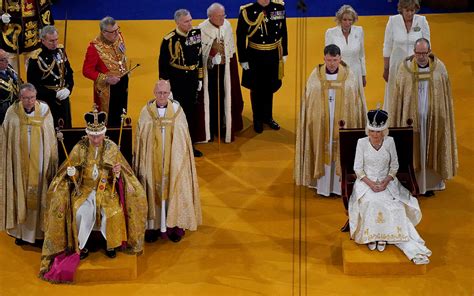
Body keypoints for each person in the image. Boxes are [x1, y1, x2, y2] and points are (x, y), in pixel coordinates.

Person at [39, 105, 147, 278]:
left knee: (113, 212)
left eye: (99, 135)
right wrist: (71, 173)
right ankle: (81, 245)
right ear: (87, 134)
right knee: (81, 211)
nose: (96, 139)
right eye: (93, 136)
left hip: (106, 190)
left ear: (104, 133)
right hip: (84, 190)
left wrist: (117, 174)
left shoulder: (112, 147)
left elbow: (125, 173)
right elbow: (67, 169)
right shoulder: (79, 148)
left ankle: (110, 244)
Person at [349, 109, 431, 265]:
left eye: (379, 132)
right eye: (372, 131)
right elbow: (358, 169)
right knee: (370, 202)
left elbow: (394, 166)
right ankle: (373, 236)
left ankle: (384, 236)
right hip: (366, 183)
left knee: (395, 204)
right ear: (368, 130)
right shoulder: (362, 143)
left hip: (388, 182)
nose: (375, 135)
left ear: (384, 131)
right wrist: (371, 184)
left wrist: (386, 182)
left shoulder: (390, 142)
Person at [134, 80, 202, 243]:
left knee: (174, 187)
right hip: (152, 162)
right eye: (159, 93)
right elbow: (141, 139)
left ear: (170, 93)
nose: (162, 96)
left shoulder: (178, 111)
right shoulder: (146, 112)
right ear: (154, 93)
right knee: (151, 187)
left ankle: (174, 226)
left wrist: (178, 159)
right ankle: (153, 226)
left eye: (165, 93)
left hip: (173, 161)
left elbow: (183, 137)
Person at [388, 38, 458, 196]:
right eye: (418, 53)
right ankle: (412, 182)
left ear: (429, 51)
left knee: (430, 146)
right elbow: (398, 97)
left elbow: (445, 97)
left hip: (433, 119)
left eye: (424, 53)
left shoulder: (439, 68)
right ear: (414, 52)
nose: (420, 56)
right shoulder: (404, 69)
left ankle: (430, 184)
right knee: (413, 149)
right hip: (411, 120)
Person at [294, 44, 365, 197]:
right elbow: (310, 101)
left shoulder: (349, 76)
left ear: (340, 58)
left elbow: (355, 102)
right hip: (322, 125)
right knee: (323, 148)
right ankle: (323, 187)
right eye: (329, 60)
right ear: (324, 59)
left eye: (335, 60)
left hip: (342, 123)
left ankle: (340, 188)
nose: (332, 64)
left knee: (340, 149)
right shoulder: (316, 75)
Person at [0, 83, 58, 246]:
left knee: (40, 192)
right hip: (20, 164)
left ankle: (40, 232)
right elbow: (6, 138)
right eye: (25, 98)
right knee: (21, 193)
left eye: (32, 98)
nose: (29, 101)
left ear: (36, 96)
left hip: (40, 163)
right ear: (20, 98)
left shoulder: (45, 111)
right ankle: (21, 233)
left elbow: (50, 138)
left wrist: (50, 160)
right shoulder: (12, 112)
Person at [236, 0, 288, 133]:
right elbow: (241, 35)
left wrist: (284, 52)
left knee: (270, 87)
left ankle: (268, 117)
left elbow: (283, 31)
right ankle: (257, 119)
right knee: (256, 88)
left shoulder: (278, 7)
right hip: (255, 55)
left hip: (273, 55)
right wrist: (243, 58)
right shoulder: (247, 11)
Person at [158, 9, 204, 157]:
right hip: (177, 82)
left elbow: (199, 57)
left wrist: (200, 78)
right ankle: (175, 145)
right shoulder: (169, 40)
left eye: (190, 20)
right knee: (176, 114)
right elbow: (163, 65)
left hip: (191, 80)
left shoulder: (196, 34)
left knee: (191, 114)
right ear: (177, 22)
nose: (190, 23)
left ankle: (190, 144)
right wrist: (167, 87)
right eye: (186, 21)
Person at [198, 2, 244, 143]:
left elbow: (230, 49)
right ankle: (210, 129)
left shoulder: (227, 25)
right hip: (211, 73)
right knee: (211, 100)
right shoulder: (201, 29)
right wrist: (212, 55)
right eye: (219, 16)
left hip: (226, 70)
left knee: (226, 97)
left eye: (223, 15)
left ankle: (225, 126)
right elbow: (201, 54)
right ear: (210, 16)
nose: (222, 18)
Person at [382, 0, 430, 114]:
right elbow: (387, 46)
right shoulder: (392, 21)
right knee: (394, 94)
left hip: (417, 66)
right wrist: (386, 68)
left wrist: (426, 67)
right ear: (401, 9)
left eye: (412, 10)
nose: (410, 13)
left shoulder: (422, 21)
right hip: (396, 65)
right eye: (407, 10)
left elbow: (428, 45)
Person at [83, 16, 128, 127]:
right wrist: (106, 78)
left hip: (122, 82)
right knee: (109, 119)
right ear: (103, 32)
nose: (117, 33)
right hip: (107, 89)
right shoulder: (94, 48)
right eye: (113, 32)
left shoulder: (118, 36)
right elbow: (87, 70)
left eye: (118, 29)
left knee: (121, 112)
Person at [27, 25, 74, 128]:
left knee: (66, 127)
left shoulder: (61, 51)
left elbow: (69, 73)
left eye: (56, 40)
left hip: (64, 98)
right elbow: (33, 85)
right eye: (51, 41)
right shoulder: (36, 59)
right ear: (42, 40)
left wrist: (69, 89)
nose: (55, 43)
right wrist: (54, 94)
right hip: (48, 102)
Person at [325, 5, 367, 107]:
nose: (347, 23)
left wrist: (363, 74)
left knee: (356, 102)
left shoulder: (359, 31)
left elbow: (361, 55)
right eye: (344, 19)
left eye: (350, 20)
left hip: (356, 72)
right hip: (339, 72)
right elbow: (328, 56)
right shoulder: (331, 33)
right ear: (339, 19)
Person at [0, 0, 54, 72]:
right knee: (9, 70)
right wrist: (1, 16)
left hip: (33, 35)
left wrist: (45, 28)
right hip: (9, 35)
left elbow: (44, 8)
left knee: (35, 69)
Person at [0, 49, 21, 124]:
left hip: (17, 109)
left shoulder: (9, 67)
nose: (7, 61)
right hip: (4, 115)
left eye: (7, 58)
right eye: (3, 59)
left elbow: (20, 82)